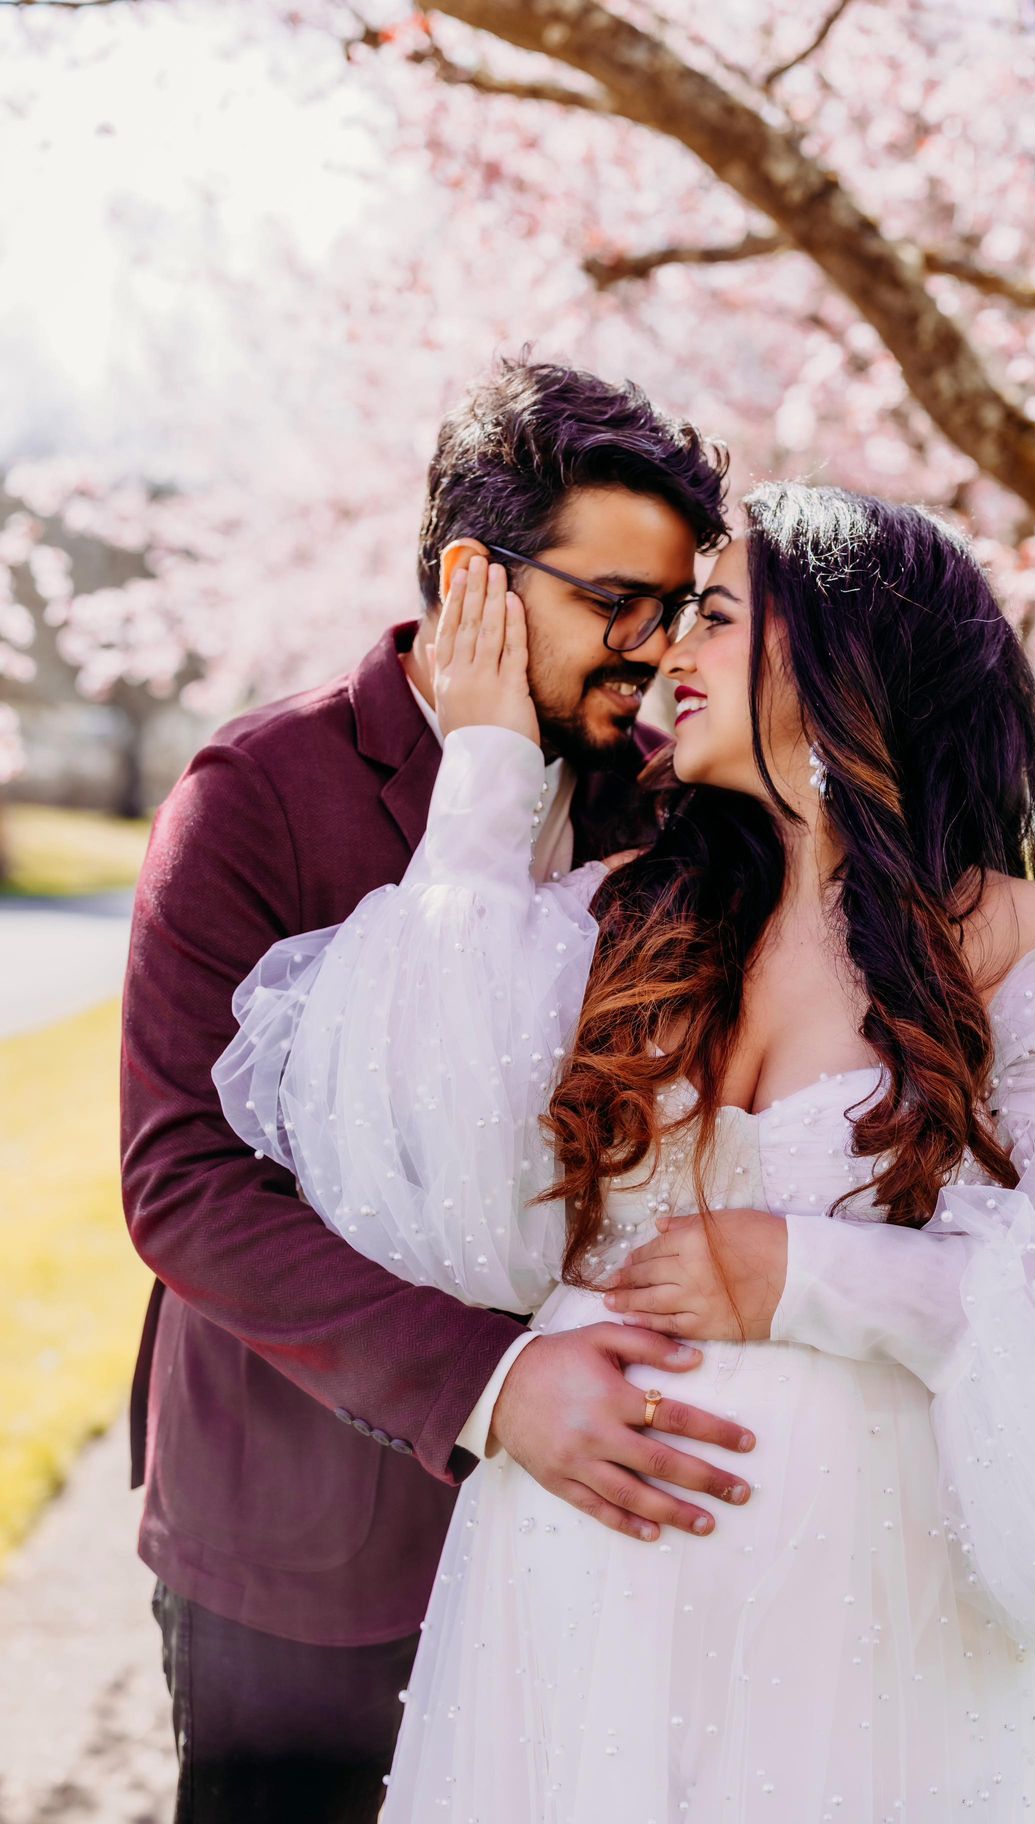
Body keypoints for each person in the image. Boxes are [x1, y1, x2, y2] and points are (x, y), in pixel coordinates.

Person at [216, 482, 1035, 1821]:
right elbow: (418, 1155)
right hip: (567, 1584)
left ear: (839, 652)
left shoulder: (1018, 948)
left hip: (856, 1622)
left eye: (714, 616)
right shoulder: (621, 917)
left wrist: (808, 1276)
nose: (668, 654)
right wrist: (485, 776)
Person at [120, 357, 750, 1823]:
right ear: (475, 576)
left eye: (671, 610)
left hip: (582, 1530)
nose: (650, 651)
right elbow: (183, 1185)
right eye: (614, 603)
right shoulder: (256, 791)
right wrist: (486, 1385)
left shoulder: (661, 801)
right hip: (300, 1546)